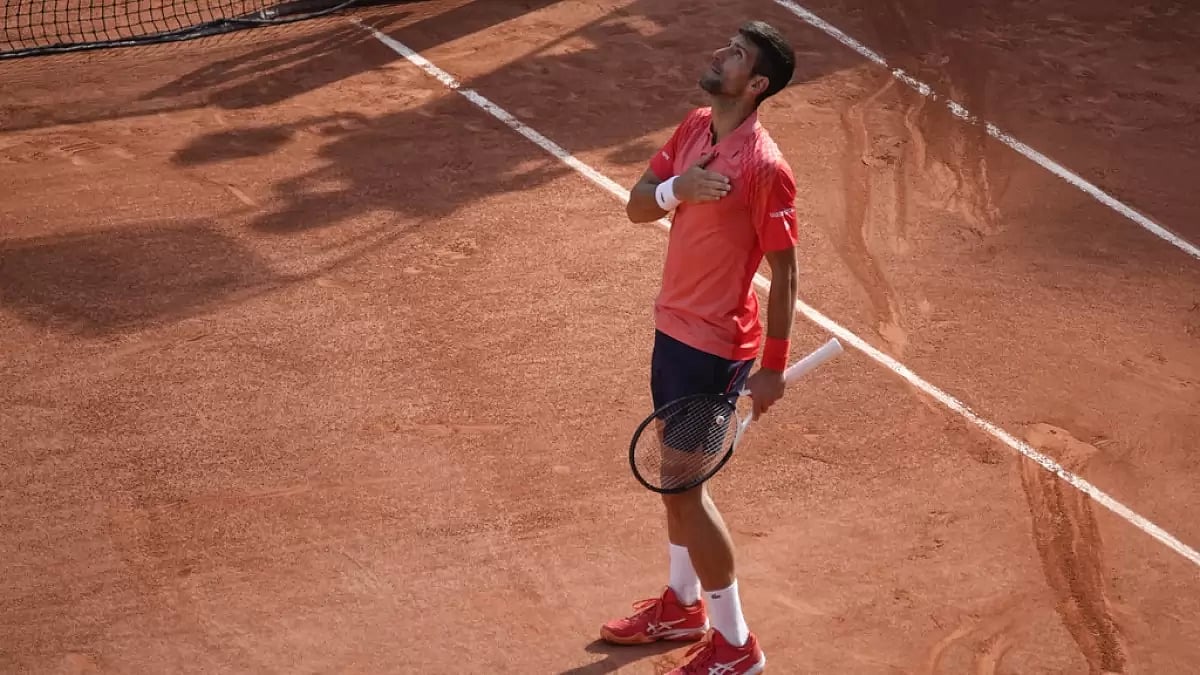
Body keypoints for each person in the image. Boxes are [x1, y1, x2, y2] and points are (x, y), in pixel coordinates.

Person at [599, 20, 798, 675]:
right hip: (672, 329)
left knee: (686, 491)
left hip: (713, 347)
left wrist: (771, 367)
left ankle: (738, 643)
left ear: (757, 83)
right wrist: (672, 192)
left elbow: (786, 272)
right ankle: (682, 605)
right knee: (673, 481)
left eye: (736, 55)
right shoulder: (692, 128)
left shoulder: (765, 167)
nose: (721, 54)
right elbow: (635, 205)